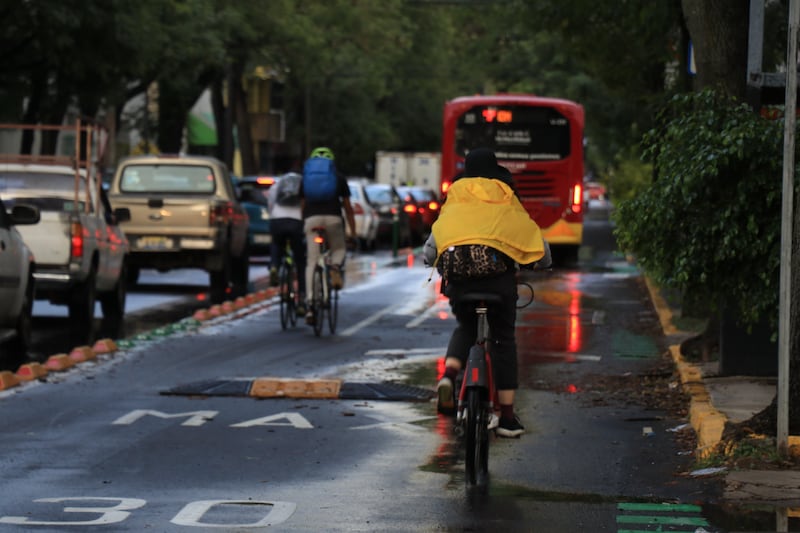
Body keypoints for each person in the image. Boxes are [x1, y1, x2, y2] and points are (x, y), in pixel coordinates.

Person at [423, 147, 550, 438]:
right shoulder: (506, 195)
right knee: (503, 340)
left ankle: (449, 376)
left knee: (466, 325)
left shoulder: (455, 196)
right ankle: (506, 418)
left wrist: (431, 260)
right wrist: (543, 263)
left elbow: (433, 247)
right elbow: (533, 241)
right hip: (499, 286)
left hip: (460, 285)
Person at [299, 147, 357, 326]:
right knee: (339, 249)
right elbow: (347, 208)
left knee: (312, 261)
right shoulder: (338, 178)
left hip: (311, 219)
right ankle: (334, 267)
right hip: (333, 218)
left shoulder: (306, 178)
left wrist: (303, 224)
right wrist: (352, 233)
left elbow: (302, 204)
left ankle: (310, 305)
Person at [267, 172, 307, 316]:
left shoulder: (276, 186)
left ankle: (274, 266)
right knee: (301, 262)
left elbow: (270, 205)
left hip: (278, 220)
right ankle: (302, 300)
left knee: (276, 244)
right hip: (297, 222)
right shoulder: (304, 185)